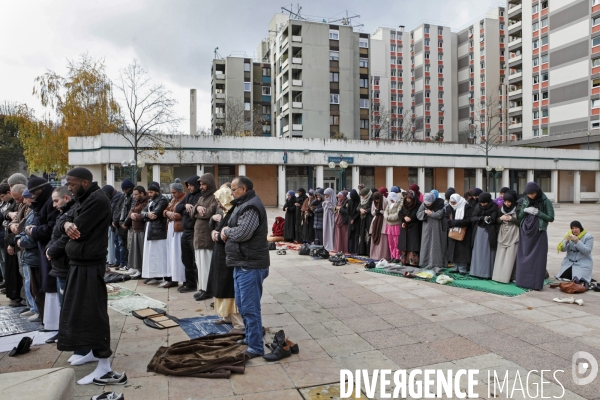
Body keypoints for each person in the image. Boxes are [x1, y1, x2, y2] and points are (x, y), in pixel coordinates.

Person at [58, 167, 126, 385]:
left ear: (85, 182)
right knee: (80, 312)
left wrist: (69, 224)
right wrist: (65, 223)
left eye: (72, 183)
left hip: (90, 265)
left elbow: (78, 229)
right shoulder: (83, 198)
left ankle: (104, 366)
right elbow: (64, 220)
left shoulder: (96, 200)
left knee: (93, 313)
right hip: (79, 264)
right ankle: (89, 351)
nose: (69, 187)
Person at [221, 176, 269, 359]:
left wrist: (226, 232)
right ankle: (250, 338)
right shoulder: (242, 204)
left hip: (250, 264)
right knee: (242, 305)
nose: (231, 192)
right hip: (242, 262)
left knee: (250, 308)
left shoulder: (251, 206)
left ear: (243, 189)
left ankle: (256, 347)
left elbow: (243, 233)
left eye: (233, 189)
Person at [208, 186, 244, 331]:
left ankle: (238, 323)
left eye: (219, 200)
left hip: (228, 257)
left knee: (229, 288)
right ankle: (227, 316)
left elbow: (232, 234)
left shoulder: (234, 213)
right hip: (220, 256)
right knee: (221, 286)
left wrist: (219, 235)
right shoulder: (226, 213)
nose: (218, 204)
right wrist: (215, 232)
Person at [516, 182, 554, 290]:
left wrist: (539, 213)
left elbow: (551, 217)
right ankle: (522, 281)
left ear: (537, 192)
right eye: (528, 194)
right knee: (523, 255)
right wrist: (524, 210)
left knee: (538, 258)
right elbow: (519, 217)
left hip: (539, 232)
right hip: (525, 232)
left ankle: (535, 283)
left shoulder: (545, 200)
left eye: (532, 194)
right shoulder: (526, 200)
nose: (530, 196)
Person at [15, 190, 40, 322]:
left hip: (33, 254)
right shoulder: (31, 211)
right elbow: (23, 229)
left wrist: (21, 241)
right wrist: (19, 238)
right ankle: (33, 307)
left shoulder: (36, 212)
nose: (25, 202)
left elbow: (32, 234)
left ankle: (37, 309)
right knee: (28, 282)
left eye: (27, 199)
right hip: (28, 254)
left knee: (33, 283)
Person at [192, 173, 218, 301]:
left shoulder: (214, 197)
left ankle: (208, 290)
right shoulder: (201, 198)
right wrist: (197, 208)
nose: (201, 187)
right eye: (200, 184)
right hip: (198, 237)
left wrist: (198, 211)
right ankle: (202, 288)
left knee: (206, 265)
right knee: (200, 265)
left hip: (207, 237)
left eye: (204, 184)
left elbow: (209, 213)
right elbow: (191, 212)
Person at [176, 176, 202, 293]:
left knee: (194, 259)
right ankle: (189, 283)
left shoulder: (200, 196)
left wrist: (188, 210)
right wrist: (185, 206)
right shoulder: (188, 196)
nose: (189, 188)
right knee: (185, 258)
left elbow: (193, 212)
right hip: (185, 231)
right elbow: (178, 208)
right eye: (188, 186)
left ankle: (197, 283)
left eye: (191, 185)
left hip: (193, 231)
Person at [141, 182, 169, 285]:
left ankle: (164, 276)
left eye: (151, 192)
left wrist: (146, 215)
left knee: (160, 255)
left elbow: (156, 214)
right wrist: (147, 214)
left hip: (158, 231)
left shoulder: (162, 200)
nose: (149, 193)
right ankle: (155, 276)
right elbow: (142, 212)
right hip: (150, 229)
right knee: (152, 255)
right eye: (149, 191)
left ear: (157, 191)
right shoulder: (150, 201)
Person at [491, 190, 520, 283]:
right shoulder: (501, 209)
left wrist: (512, 219)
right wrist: (501, 218)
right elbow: (496, 221)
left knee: (511, 256)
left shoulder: (518, 209)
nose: (507, 204)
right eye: (505, 202)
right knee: (500, 256)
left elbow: (521, 223)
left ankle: (511, 276)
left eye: (509, 202)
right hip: (502, 234)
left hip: (514, 235)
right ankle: (498, 276)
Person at [162, 180, 186, 288]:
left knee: (178, 254)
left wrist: (174, 215)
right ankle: (173, 278)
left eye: (174, 192)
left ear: (180, 192)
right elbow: (165, 210)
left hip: (179, 229)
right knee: (171, 254)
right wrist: (168, 213)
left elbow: (185, 214)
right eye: (171, 192)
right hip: (171, 229)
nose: (173, 194)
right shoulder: (173, 200)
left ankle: (181, 278)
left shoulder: (184, 199)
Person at [469, 193, 498, 279]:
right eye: (481, 203)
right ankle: (476, 271)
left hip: (489, 231)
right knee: (478, 251)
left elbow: (494, 219)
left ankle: (487, 273)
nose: (482, 204)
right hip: (479, 230)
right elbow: (472, 218)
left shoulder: (494, 207)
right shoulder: (478, 206)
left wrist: (488, 219)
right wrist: (482, 218)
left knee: (487, 251)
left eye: (484, 203)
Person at [123, 186, 148, 278]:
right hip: (135, 229)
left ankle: (141, 270)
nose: (134, 196)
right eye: (133, 194)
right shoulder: (137, 201)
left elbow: (144, 215)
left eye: (136, 194)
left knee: (141, 251)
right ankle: (135, 267)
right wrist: (132, 214)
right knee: (134, 250)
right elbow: (130, 212)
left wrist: (136, 215)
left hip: (142, 229)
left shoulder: (146, 202)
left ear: (142, 193)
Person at [417, 192, 447, 268]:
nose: (427, 205)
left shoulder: (439, 204)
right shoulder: (423, 204)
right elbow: (418, 214)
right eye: (426, 203)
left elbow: (439, 214)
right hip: (426, 228)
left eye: (429, 203)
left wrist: (430, 213)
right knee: (426, 244)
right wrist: (424, 212)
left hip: (436, 228)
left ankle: (435, 263)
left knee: (435, 245)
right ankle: (425, 262)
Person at [447, 194, 474, 275]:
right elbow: (446, 218)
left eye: (454, 202)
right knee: (454, 250)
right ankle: (455, 267)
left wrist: (454, 223)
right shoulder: (450, 207)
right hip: (453, 231)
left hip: (463, 232)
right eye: (451, 202)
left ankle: (462, 269)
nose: (452, 204)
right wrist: (449, 223)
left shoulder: (466, 207)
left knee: (462, 251)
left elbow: (468, 220)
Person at [398, 190, 422, 266]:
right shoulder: (404, 204)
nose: (408, 200)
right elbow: (400, 213)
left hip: (414, 227)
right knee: (405, 244)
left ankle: (413, 262)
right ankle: (405, 261)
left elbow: (418, 214)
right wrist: (404, 218)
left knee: (413, 244)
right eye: (407, 198)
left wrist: (411, 218)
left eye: (409, 198)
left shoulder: (418, 205)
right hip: (405, 227)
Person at [115, 179, 135, 272]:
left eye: (125, 189)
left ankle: (127, 264)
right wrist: (121, 221)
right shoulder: (125, 196)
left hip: (131, 225)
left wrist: (126, 222)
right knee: (123, 244)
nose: (124, 191)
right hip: (124, 224)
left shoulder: (132, 197)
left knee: (128, 246)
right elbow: (123, 209)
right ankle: (124, 263)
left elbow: (131, 210)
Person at [370, 191, 390, 261]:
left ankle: (383, 255)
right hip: (376, 222)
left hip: (383, 222)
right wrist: (375, 212)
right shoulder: (374, 202)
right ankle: (374, 255)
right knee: (375, 236)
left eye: (377, 199)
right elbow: (372, 212)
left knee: (382, 239)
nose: (376, 201)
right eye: (375, 200)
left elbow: (387, 211)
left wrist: (381, 212)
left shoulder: (385, 201)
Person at [384, 191, 402, 263]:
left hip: (396, 224)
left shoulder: (400, 203)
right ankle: (392, 256)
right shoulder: (389, 203)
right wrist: (387, 217)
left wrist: (389, 217)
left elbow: (398, 213)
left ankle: (397, 257)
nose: (391, 200)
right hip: (389, 225)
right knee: (390, 242)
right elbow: (385, 211)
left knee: (396, 242)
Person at [357, 188, 373, 256]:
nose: (362, 197)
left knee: (367, 234)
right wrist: (360, 209)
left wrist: (365, 211)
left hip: (368, 219)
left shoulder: (371, 198)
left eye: (363, 195)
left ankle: (368, 251)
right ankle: (362, 251)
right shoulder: (362, 199)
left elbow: (372, 208)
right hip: (362, 219)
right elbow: (358, 207)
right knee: (362, 234)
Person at [345, 189, 361, 254]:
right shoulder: (350, 201)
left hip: (357, 220)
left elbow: (358, 212)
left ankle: (356, 250)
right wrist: (350, 219)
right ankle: (350, 249)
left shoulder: (359, 201)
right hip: (350, 220)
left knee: (356, 235)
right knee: (350, 235)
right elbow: (347, 212)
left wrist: (353, 218)